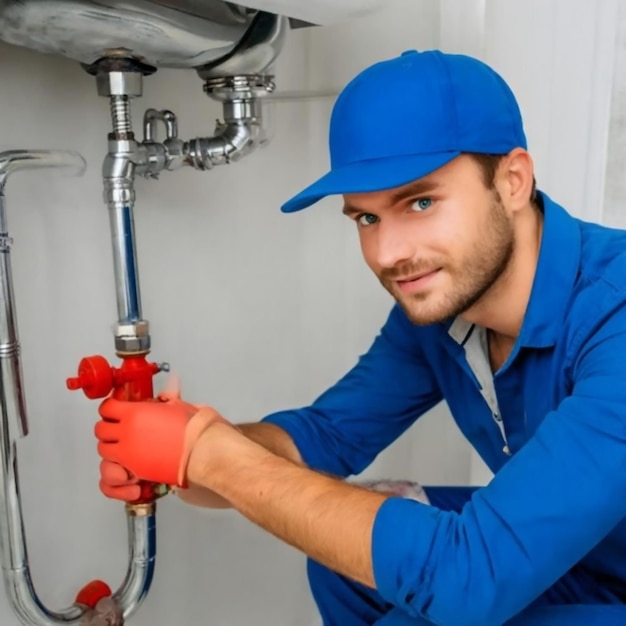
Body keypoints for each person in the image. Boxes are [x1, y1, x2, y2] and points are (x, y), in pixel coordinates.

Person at [93, 49, 626, 625]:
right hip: (581, 558)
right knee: (344, 559)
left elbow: (471, 577)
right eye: (366, 218)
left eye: (420, 202)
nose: (389, 254)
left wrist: (217, 459)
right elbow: (319, 440)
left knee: (434, 596)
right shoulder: (444, 310)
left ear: (513, 181)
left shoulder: (613, 312)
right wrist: (183, 456)